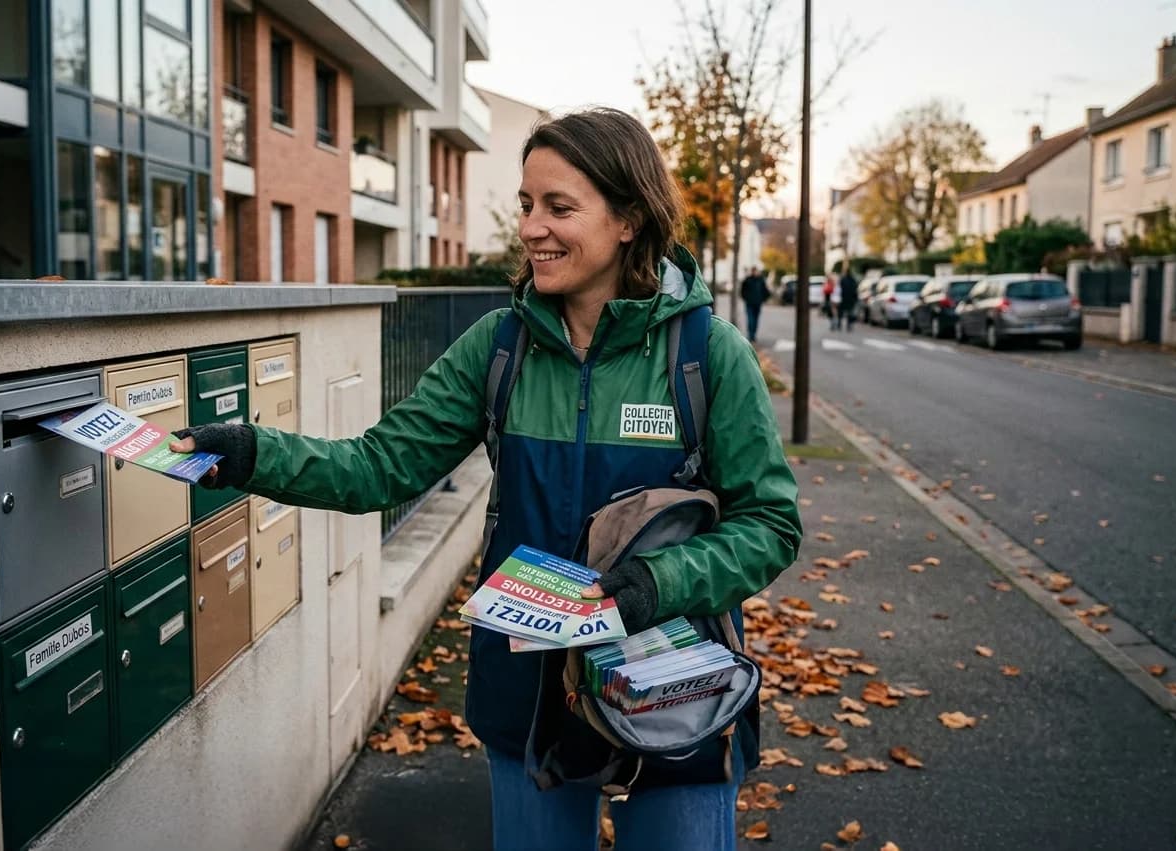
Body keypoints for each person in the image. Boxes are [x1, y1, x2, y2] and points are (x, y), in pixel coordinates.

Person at [169, 108, 801, 851]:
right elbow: (379, 465)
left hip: (669, 683)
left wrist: (656, 583)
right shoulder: (499, 347)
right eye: (527, 204)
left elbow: (770, 523)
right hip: (527, 691)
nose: (532, 227)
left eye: (560, 207)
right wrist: (248, 452)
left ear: (629, 219)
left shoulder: (706, 354)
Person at [739, 266, 768, 343]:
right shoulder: (747, 280)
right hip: (749, 303)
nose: (755, 273)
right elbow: (742, 291)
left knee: (756, 319)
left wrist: (763, 299)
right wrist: (746, 298)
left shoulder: (761, 280)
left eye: (756, 271)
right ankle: (751, 335)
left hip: (758, 303)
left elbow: (765, 291)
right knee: (750, 319)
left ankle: (753, 335)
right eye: (754, 271)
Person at [837, 261, 860, 331]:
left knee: (841, 312)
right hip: (851, 299)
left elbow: (839, 289)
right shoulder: (853, 280)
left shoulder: (843, 280)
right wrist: (856, 298)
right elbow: (856, 290)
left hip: (843, 298)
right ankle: (849, 325)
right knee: (850, 312)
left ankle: (839, 324)